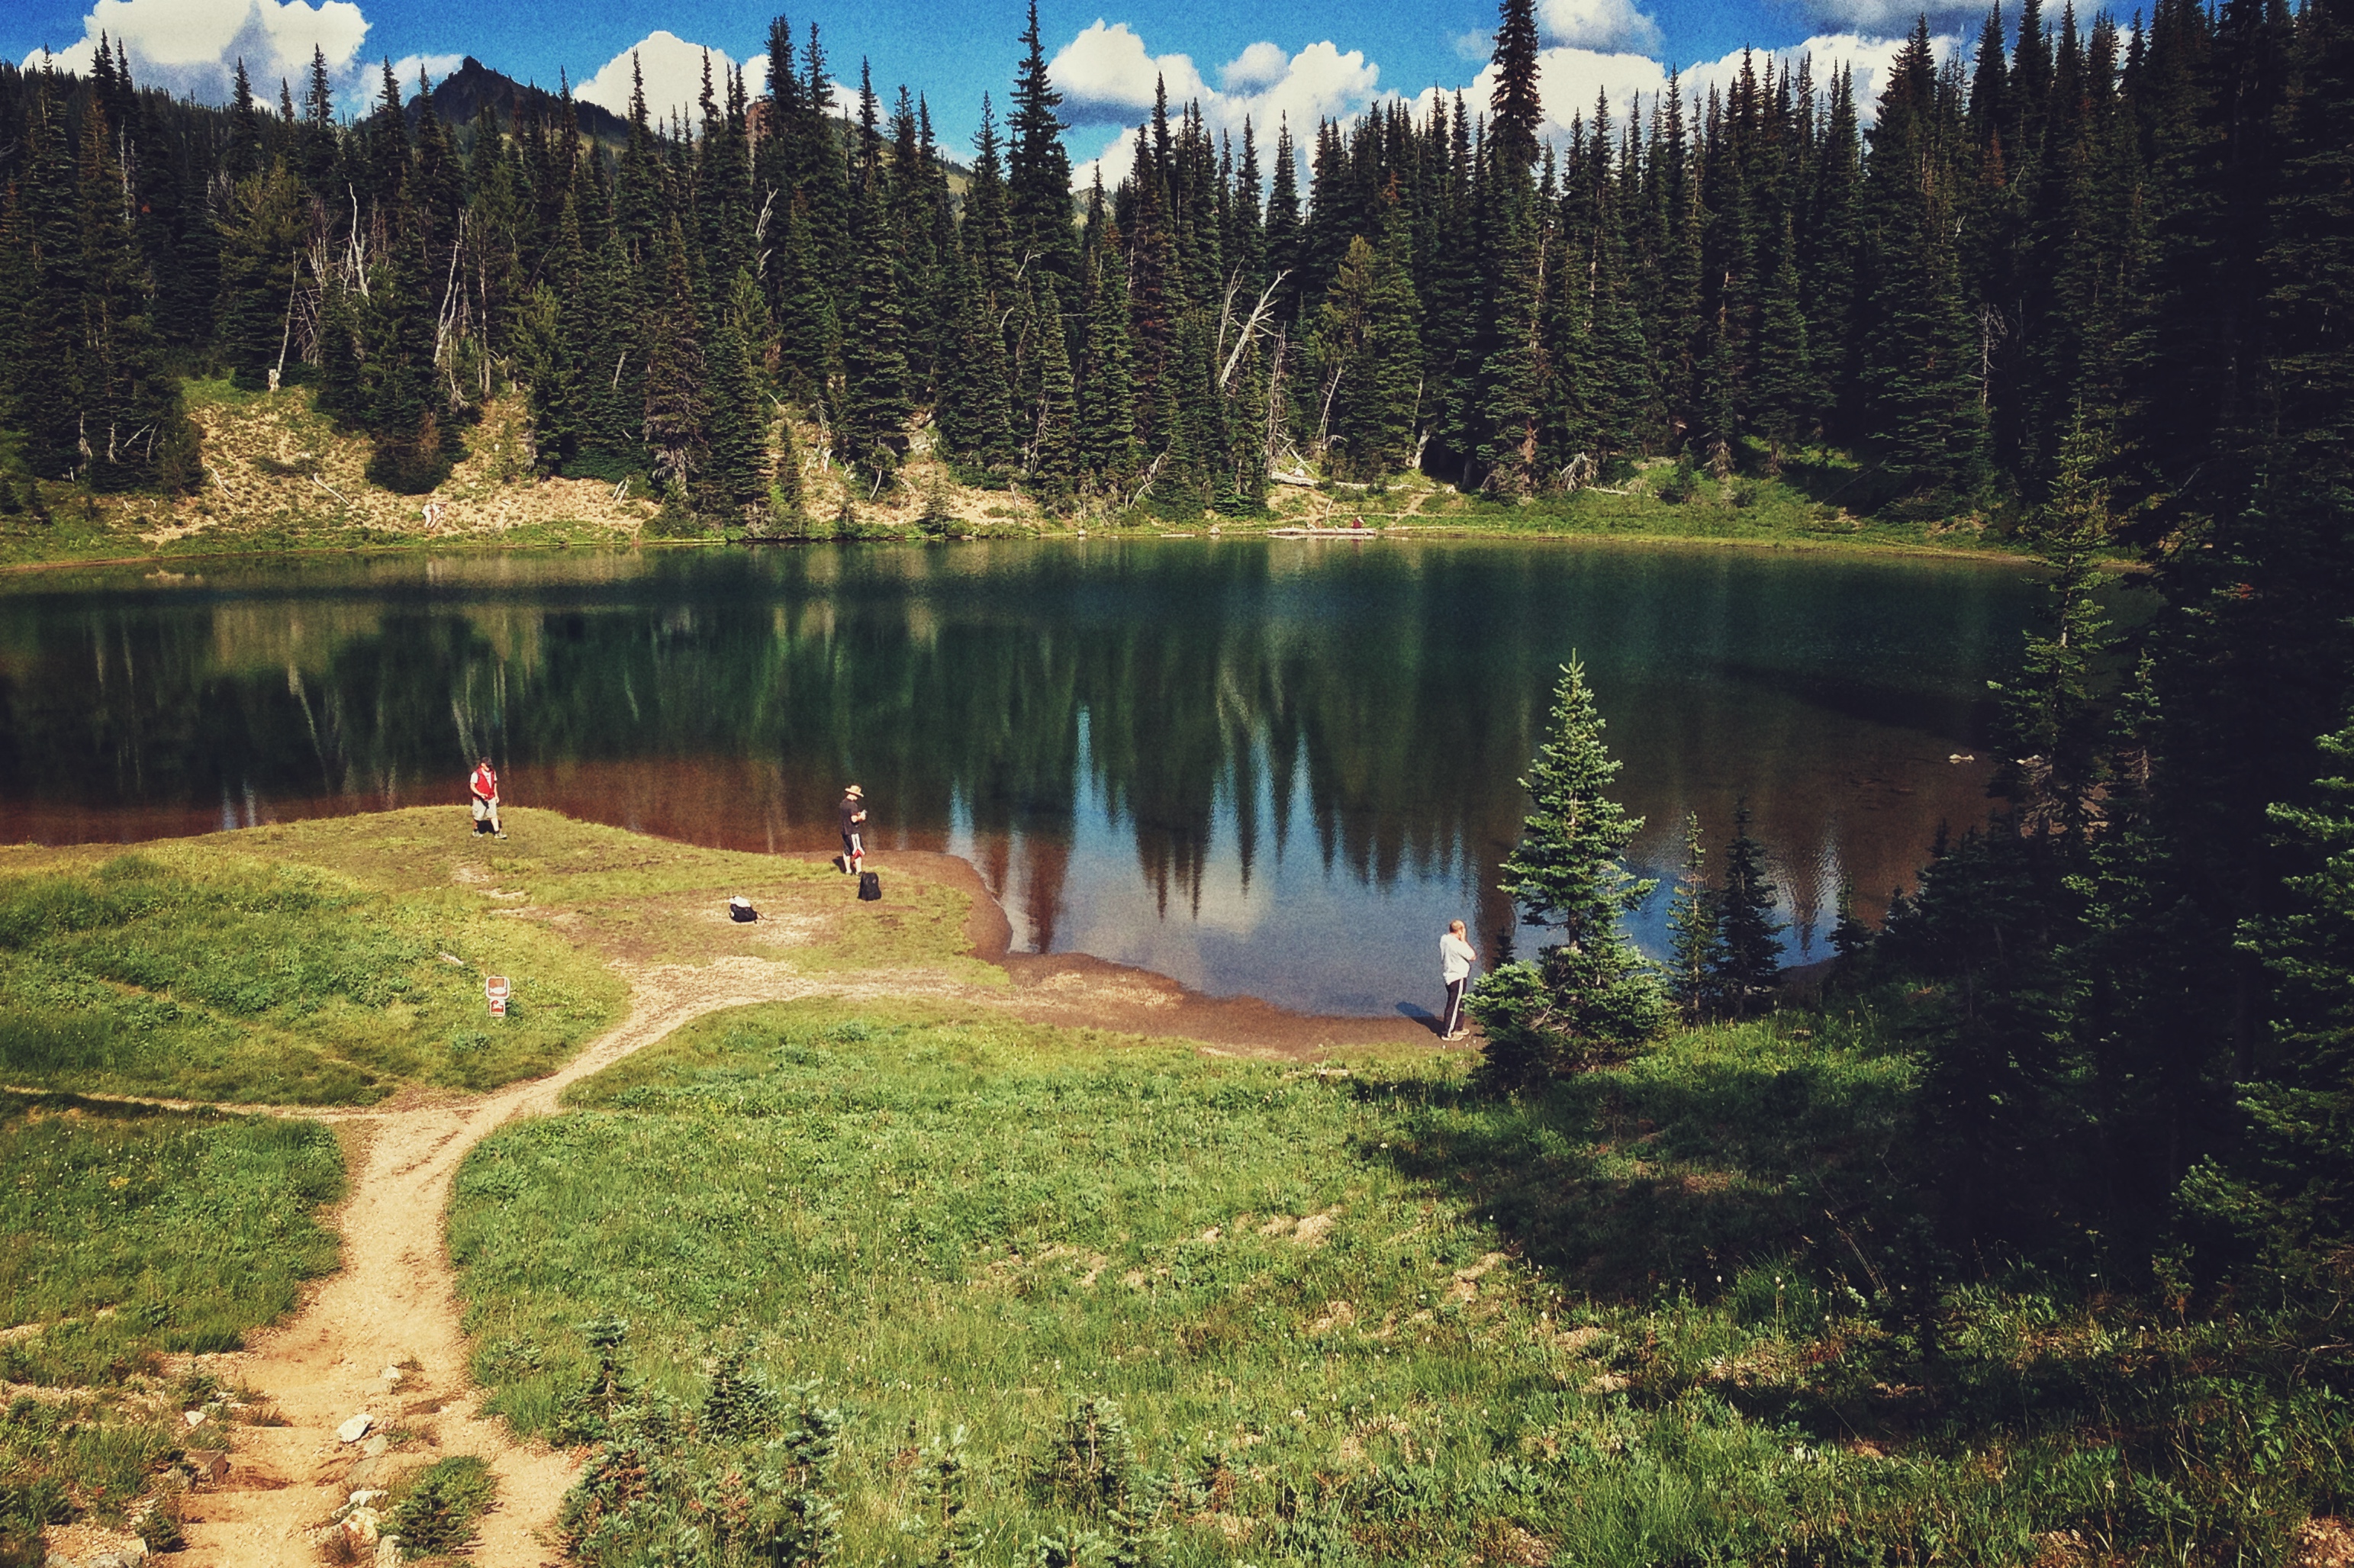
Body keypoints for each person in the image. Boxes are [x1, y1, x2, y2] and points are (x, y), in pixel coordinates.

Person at [1438, 919, 1477, 1040]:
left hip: (1449, 975)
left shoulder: (1444, 939)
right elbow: (1472, 956)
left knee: (1460, 1002)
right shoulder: (1457, 944)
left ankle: (1458, 1027)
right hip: (1457, 977)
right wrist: (1464, 940)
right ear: (1460, 931)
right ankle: (1448, 1033)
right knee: (1454, 1004)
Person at [469, 756, 504, 839]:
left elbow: (494, 784)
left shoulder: (493, 772)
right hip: (479, 799)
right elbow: (472, 786)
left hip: (490, 797)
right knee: (478, 817)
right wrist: (480, 794)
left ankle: (497, 833)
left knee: (493, 815)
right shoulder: (476, 774)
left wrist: (496, 795)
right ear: (482, 765)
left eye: (490, 765)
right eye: (487, 765)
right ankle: (475, 831)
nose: (489, 767)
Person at [838, 784, 867, 874]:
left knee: (847, 851)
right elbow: (854, 819)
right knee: (857, 850)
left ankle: (848, 871)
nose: (858, 798)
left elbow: (847, 816)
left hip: (844, 831)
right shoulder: (853, 805)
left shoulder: (842, 804)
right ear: (855, 795)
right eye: (858, 796)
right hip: (853, 831)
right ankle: (859, 871)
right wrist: (862, 817)